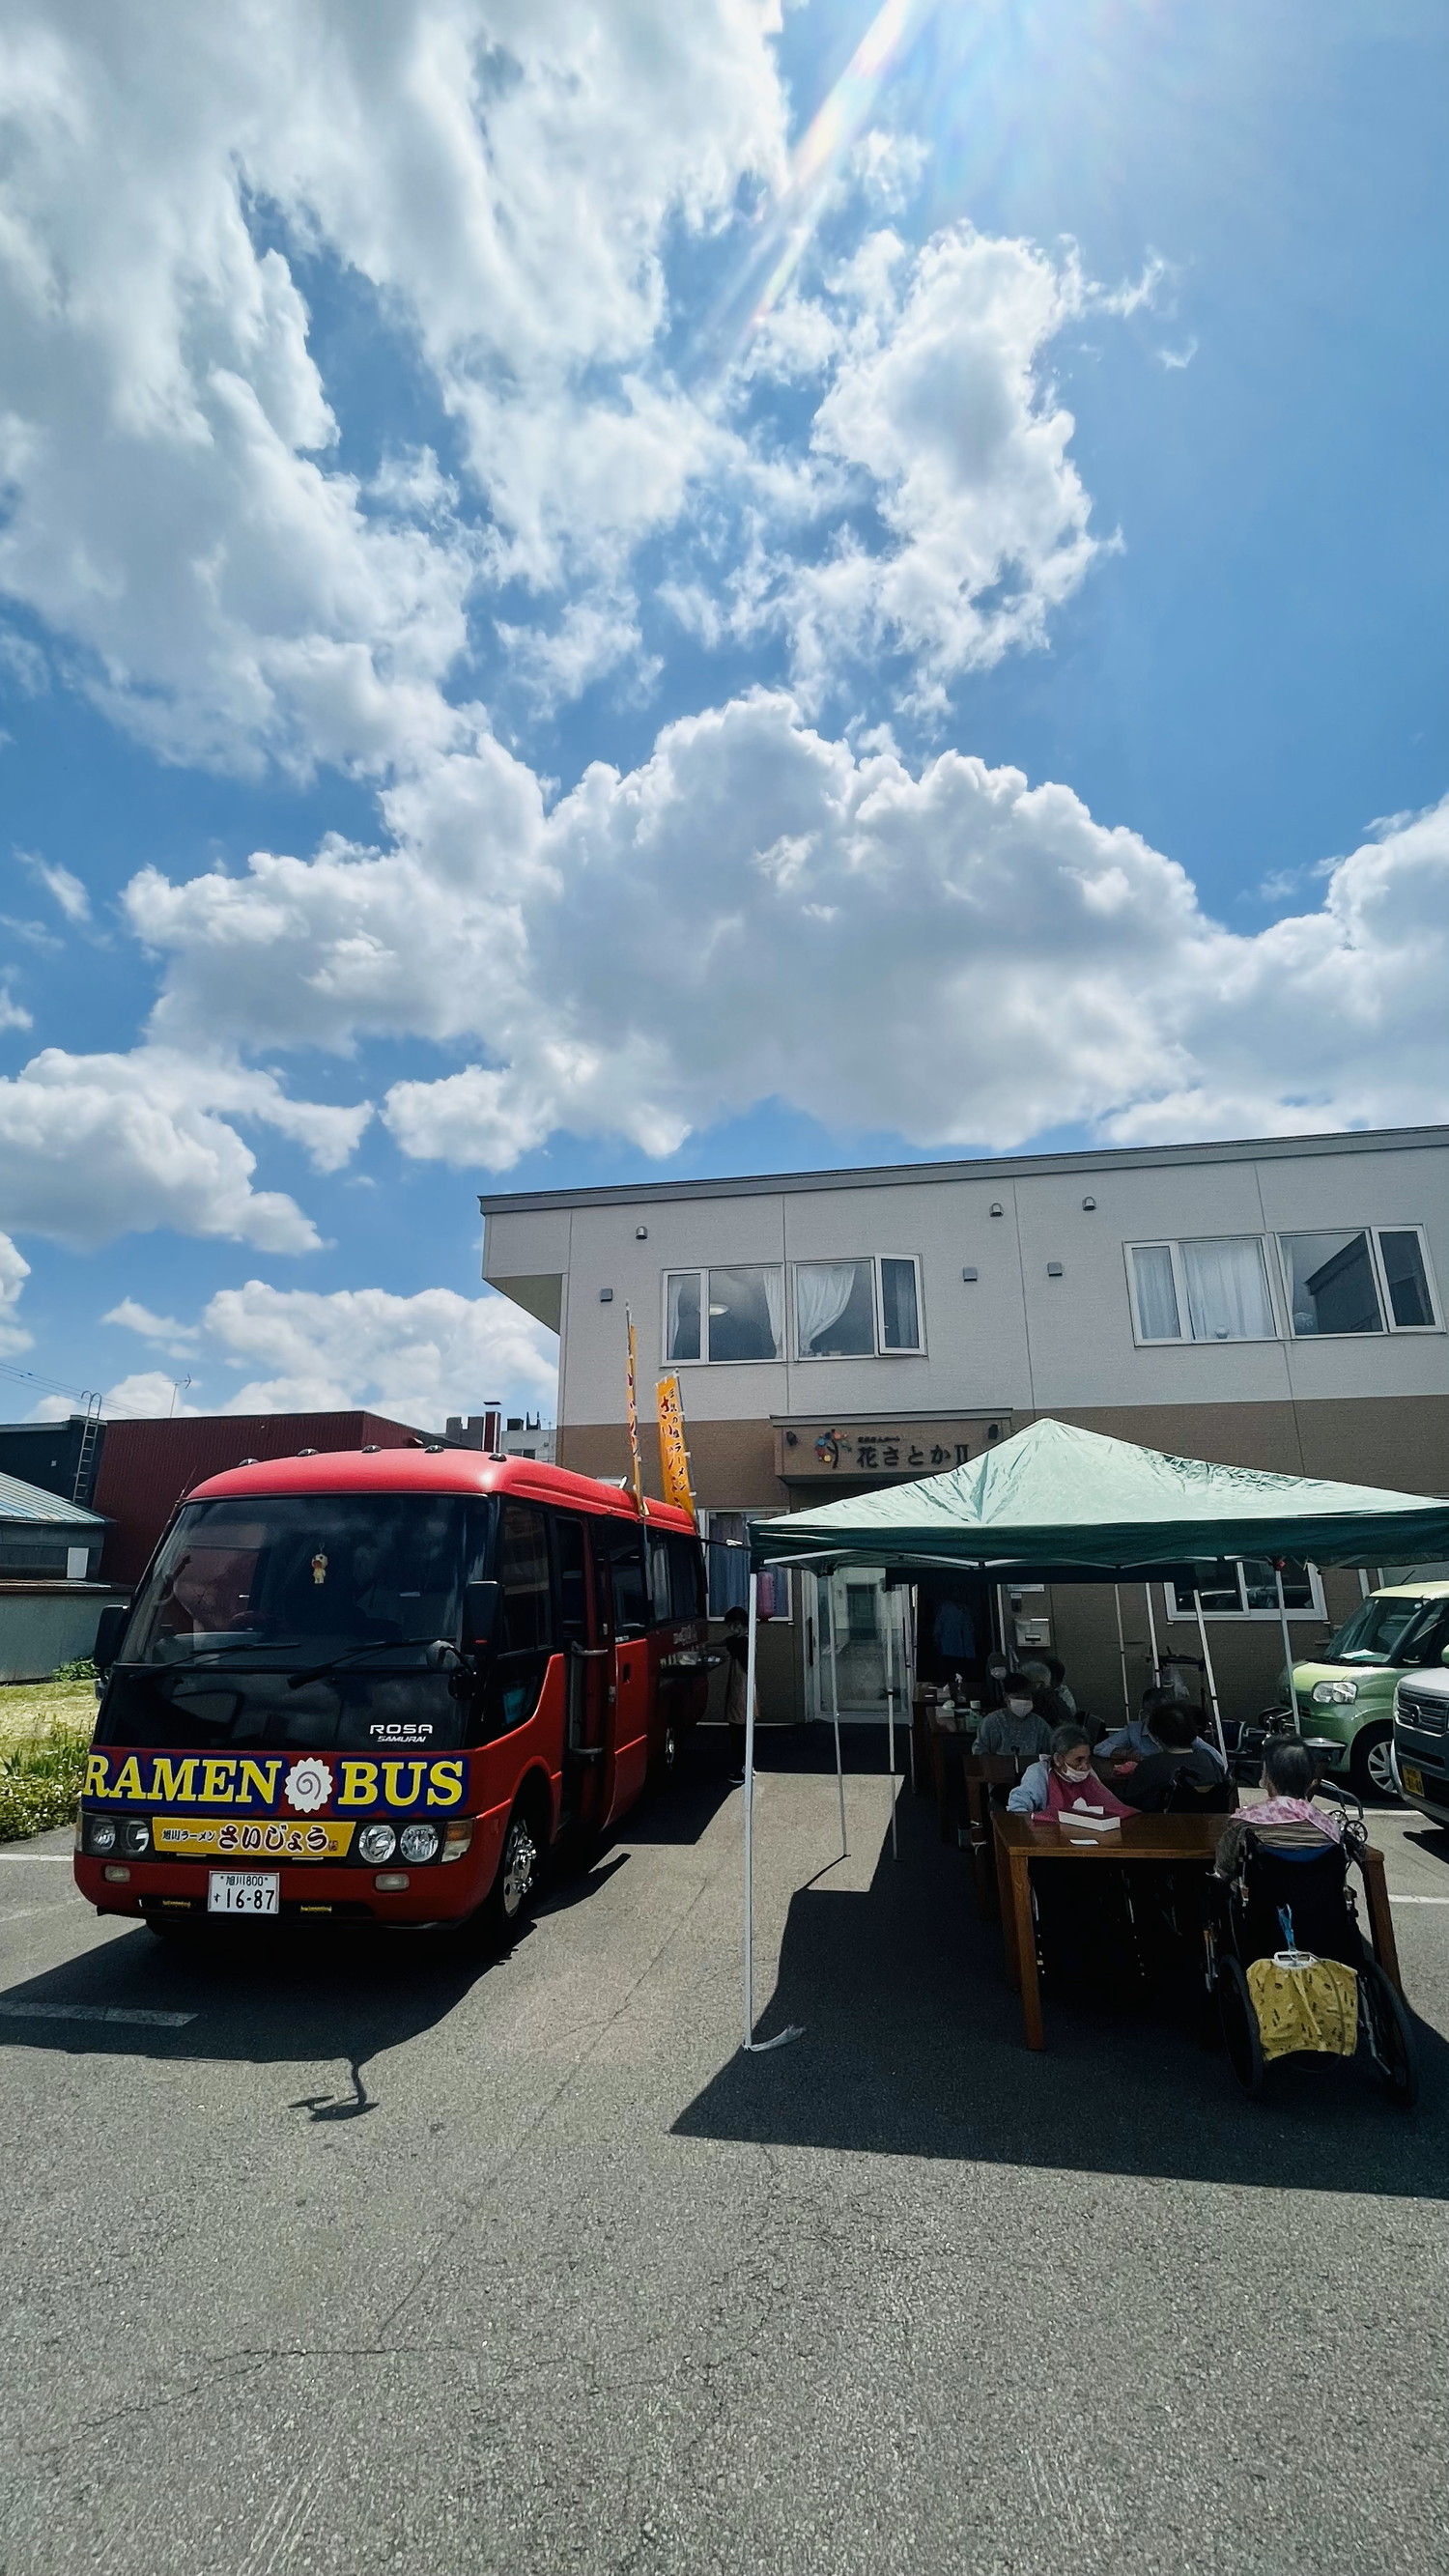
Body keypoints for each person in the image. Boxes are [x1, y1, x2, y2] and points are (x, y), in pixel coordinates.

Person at [1215, 1735, 1343, 1876]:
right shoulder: (1330, 1829)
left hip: (1262, 1896)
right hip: (1318, 1896)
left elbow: (1224, 1867)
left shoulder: (1244, 1823)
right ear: (1311, 1781)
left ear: (1268, 1778)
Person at [1114, 1701, 1233, 1812]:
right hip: (1207, 1827)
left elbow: (1128, 1803)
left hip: (1159, 1830)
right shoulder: (1209, 1759)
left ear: (1157, 1736)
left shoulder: (1151, 1765)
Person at [1009, 1721, 1137, 1820]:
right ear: (1058, 1759)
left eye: (1087, 1760)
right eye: (1078, 1760)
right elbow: (1018, 1808)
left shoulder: (1087, 1774)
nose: (1085, 1767)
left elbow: (1108, 1805)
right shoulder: (1039, 1773)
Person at [1097, 1684, 1224, 1773]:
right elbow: (1099, 1748)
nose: (1155, 1716)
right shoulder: (1135, 1730)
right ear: (1145, 1711)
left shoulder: (1179, 1729)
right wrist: (1126, 1754)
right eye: (1150, 1711)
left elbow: (1219, 1761)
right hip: (1147, 1777)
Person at [974, 1676, 1053, 1760]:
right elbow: (980, 1752)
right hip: (998, 1770)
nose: (1023, 1702)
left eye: (1027, 1698)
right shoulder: (992, 1722)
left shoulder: (1039, 1725)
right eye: (1018, 1697)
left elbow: (1051, 1751)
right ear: (1006, 1697)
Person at [721, 1604, 757, 1783]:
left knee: (738, 1730)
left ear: (737, 1624)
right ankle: (747, 1765)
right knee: (744, 1729)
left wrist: (706, 1647)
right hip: (746, 1689)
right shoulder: (747, 1639)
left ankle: (743, 1768)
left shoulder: (741, 1642)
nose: (730, 1630)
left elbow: (726, 1644)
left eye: (731, 1626)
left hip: (741, 1689)